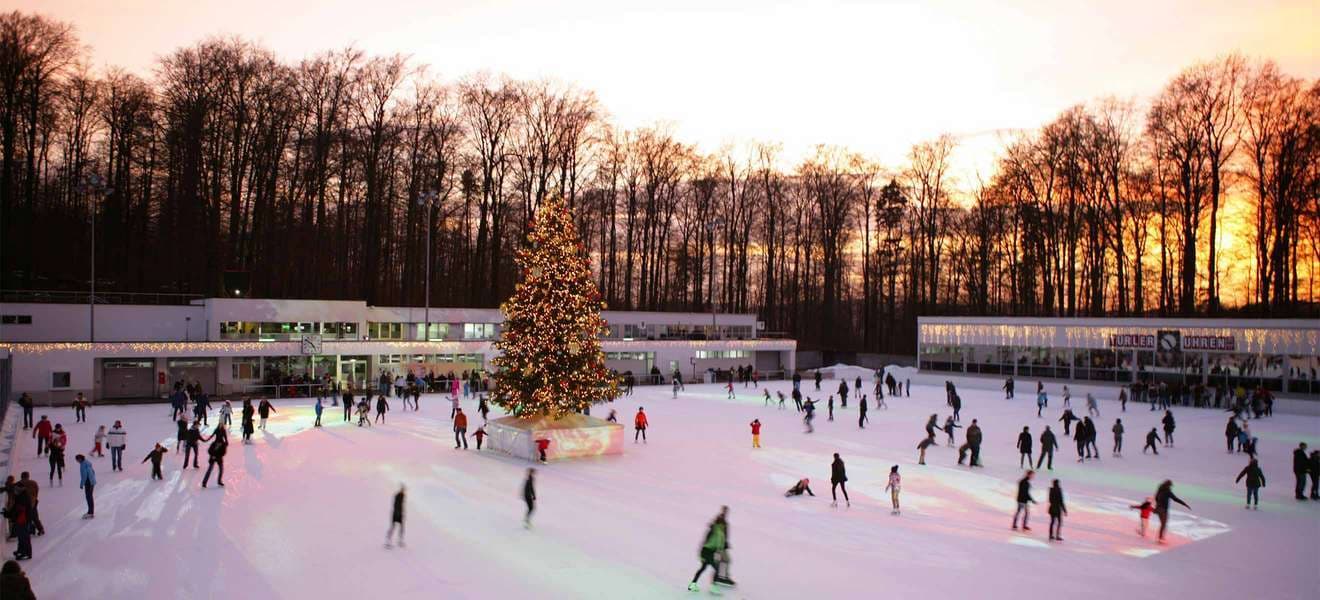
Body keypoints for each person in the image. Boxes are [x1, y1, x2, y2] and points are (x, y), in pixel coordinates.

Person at [687, 506, 732, 592]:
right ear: (722, 524)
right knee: (716, 568)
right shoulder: (720, 532)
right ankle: (713, 587)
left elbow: (706, 540)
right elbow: (719, 543)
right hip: (710, 552)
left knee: (703, 568)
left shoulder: (714, 528)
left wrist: (701, 552)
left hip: (705, 550)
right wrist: (719, 551)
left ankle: (692, 584)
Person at [9, 484, 33, 560]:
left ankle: (26, 553)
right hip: (22, 519)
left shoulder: (23, 497)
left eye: (16, 489)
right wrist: (8, 513)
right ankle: (21, 550)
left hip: (24, 520)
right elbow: (15, 508)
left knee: (24, 536)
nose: (15, 491)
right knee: (21, 536)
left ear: (20, 489)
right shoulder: (20, 496)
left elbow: (18, 510)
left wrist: (10, 514)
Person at [76, 454, 95, 518]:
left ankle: (90, 512)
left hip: (88, 482)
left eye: (77, 460)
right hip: (92, 482)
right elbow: (93, 472)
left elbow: (84, 476)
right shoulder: (88, 463)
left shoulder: (83, 465)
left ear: (80, 459)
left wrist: (81, 484)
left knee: (88, 497)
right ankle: (90, 511)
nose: (77, 461)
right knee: (90, 497)